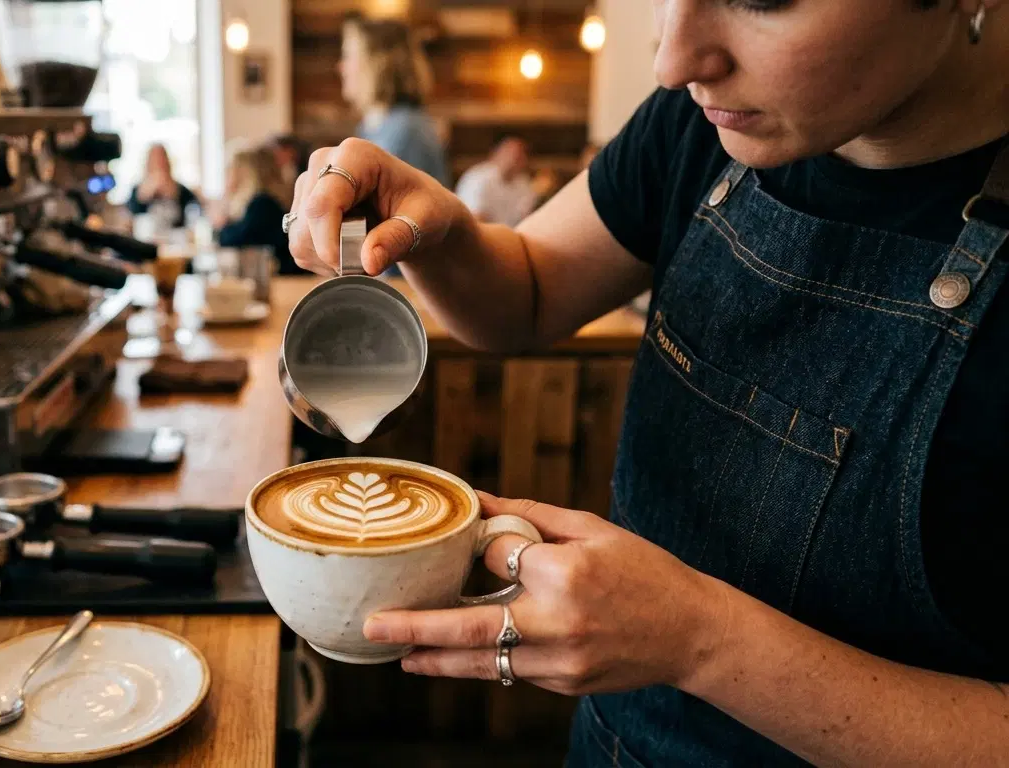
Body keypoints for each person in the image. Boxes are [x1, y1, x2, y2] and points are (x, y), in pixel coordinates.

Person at [282, 1, 1009, 765]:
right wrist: (444, 236)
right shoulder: (701, 123)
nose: (672, 62)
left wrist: (701, 643)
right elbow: (528, 293)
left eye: (759, 0)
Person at [340, 18, 449, 189]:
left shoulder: (406, 130)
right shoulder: (370, 127)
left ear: (377, 63)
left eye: (348, 56)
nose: (341, 67)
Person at [215, 144, 300, 274]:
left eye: (228, 170)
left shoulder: (262, 203)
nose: (226, 177)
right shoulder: (258, 202)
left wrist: (221, 227)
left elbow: (237, 239)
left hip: (287, 277)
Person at [454, 134, 539, 227]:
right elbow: (475, 220)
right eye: (510, 152)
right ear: (495, 153)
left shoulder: (523, 182)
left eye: (520, 154)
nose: (514, 158)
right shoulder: (478, 178)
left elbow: (527, 217)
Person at [126, 143, 198, 228]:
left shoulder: (180, 189)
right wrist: (143, 196)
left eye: (161, 159)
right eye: (154, 160)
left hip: (175, 237)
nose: (158, 163)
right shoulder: (137, 190)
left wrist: (175, 195)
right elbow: (130, 216)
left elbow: (193, 212)